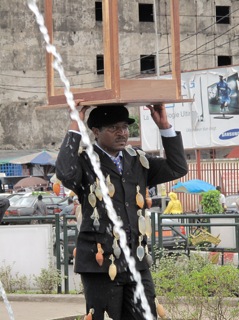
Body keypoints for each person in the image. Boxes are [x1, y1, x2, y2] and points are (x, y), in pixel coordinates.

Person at [56, 103, 188, 320]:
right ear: (96, 132)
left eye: (125, 127)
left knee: (146, 315)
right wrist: (74, 125)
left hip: (137, 261)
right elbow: (65, 173)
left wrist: (164, 126)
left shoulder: (137, 159)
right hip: (100, 264)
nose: (122, 133)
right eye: (114, 128)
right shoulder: (85, 162)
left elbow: (177, 168)